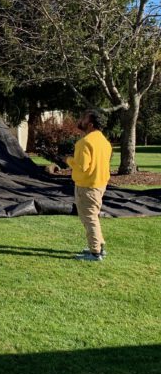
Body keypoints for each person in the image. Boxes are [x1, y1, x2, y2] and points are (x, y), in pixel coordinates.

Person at [65, 109, 112, 261]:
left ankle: (95, 253)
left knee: (89, 218)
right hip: (100, 184)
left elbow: (82, 166)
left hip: (87, 186)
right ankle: (99, 246)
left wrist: (68, 160)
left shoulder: (84, 142)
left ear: (90, 124)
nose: (81, 121)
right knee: (93, 217)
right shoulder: (105, 142)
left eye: (84, 119)